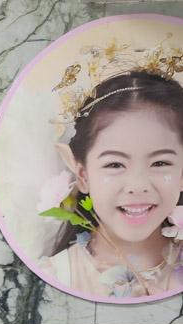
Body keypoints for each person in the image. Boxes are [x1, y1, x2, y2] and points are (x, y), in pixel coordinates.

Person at [41, 70, 183, 298]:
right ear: (83, 175)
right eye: (115, 165)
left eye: (159, 163)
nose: (137, 186)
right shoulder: (52, 278)